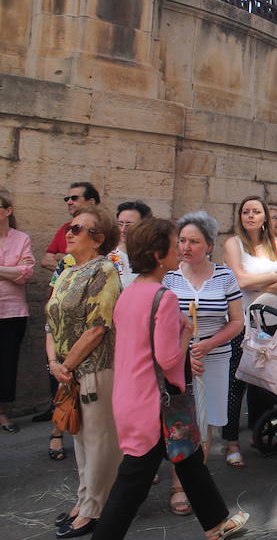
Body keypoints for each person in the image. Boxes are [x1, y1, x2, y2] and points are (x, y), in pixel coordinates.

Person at [93, 218, 248, 540]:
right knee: (132, 482)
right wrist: (186, 334)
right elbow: (168, 360)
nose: (180, 249)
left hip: (134, 397)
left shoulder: (131, 292)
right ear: (157, 255)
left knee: (189, 460)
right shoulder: (162, 297)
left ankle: (216, 524)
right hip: (155, 404)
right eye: (174, 244)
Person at [45, 205, 122, 538]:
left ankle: (94, 508)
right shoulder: (67, 269)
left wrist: (66, 365)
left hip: (94, 367)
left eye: (78, 228)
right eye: (69, 228)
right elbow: (50, 322)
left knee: (99, 439)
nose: (69, 232)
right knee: (79, 437)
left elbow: (98, 328)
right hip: (68, 370)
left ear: (98, 238)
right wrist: (54, 364)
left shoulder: (104, 269)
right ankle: (84, 500)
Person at [163, 211, 244, 499]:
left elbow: (237, 321)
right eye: (182, 240)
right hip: (179, 360)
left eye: (193, 241)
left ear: (208, 245)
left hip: (216, 356)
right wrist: (183, 351)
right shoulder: (170, 277)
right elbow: (161, 324)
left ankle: (196, 482)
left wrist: (208, 345)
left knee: (205, 420)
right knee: (182, 422)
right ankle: (177, 484)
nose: (185, 247)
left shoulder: (224, 276)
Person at [222, 197, 277, 467]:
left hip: (270, 325)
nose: (250, 216)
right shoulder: (233, 244)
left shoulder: (275, 245)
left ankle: (259, 432)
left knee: (265, 381)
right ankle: (230, 442)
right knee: (235, 384)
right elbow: (238, 280)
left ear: (264, 216)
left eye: (256, 212)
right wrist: (273, 278)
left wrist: (259, 283)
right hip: (241, 323)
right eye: (245, 212)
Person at [0, 191, 34, 433]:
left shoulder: (21, 238)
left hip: (12, 312)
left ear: (8, 211)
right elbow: (18, 271)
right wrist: (11, 270)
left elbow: (26, 274)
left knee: (7, 364)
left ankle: (2, 413)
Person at [41, 182, 101, 271]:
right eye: (67, 199)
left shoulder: (102, 228)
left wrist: (62, 258)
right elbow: (46, 261)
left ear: (91, 202)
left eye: (74, 198)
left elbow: (99, 264)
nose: (69, 202)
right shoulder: (65, 227)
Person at [108, 201, 152, 289]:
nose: (123, 230)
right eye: (120, 224)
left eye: (129, 225)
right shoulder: (109, 258)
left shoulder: (154, 258)